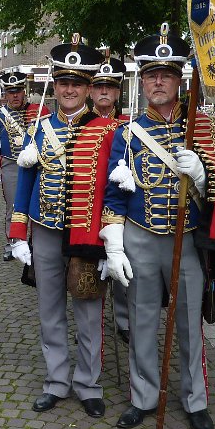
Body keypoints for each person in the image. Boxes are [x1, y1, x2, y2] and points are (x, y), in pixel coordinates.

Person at [101, 27, 215, 429]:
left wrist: (202, 176)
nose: (158, 82)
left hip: (187, 239)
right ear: (142, 82)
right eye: (151, 75)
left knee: (190, 322)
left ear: (179, 81)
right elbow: (113, 193)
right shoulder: (126, 133)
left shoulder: (201, 129)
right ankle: (143, 397)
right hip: (139, 238)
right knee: (141, 321)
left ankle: (195, 400)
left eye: (166, 76)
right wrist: (114, 245)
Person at [8, 37, 113, 419]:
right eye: (63, 83)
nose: (69, 90)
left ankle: (88, 384)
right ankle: (55, 381)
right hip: (47, 230)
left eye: (77, 84)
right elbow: (24, 184)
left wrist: (112, 242)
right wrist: (18, 234)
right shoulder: (39, 129)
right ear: (54, 86)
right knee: (50, 309)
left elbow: (112, 190)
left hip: (87, 233)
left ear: (88, 87)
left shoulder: (106, 131)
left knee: (88, 310)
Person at [88, 55, 131, 344]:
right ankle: (89, 324)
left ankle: (124, 320)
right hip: (90, 207)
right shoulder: (81, 123)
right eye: (99, 87)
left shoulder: (130, 124)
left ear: (117, 92)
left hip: (119, 206)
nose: (104, 92)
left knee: (123, 265)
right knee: (89, 269)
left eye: (110, 87)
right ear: (91, 91)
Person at [0, 71, 50, 261]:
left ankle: (37, 242)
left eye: (18, 91)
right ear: (5, 94)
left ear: (24, 92)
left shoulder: (39, 111)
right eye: (10, 92)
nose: (14, 96)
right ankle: (13, 242)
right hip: (11, 165)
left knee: (40, 202)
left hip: (37, 164)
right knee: (13, 206)